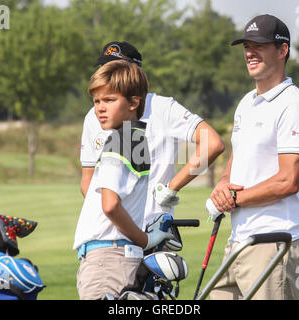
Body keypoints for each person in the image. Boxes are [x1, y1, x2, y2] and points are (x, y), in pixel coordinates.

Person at [207, 14, 299, 300]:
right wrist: (223, 184)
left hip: (277, 243)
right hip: (239, 242)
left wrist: (234, 200)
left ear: (282, 50)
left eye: (259, 45)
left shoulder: (294, 104)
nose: (249, 52)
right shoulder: (247, 103)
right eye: (246, 45)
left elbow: (288, 181)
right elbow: (238, 158)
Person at [80, 41, 225, 238]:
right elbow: (87, 179)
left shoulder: (163, 107)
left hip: (155, 230)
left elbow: (213, 144)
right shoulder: (93, 115)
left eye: (116, 67)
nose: (107, 72)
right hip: (112, 236)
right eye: (104, 66)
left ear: (134, 72)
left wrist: (173, 187)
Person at [73, 60, 174, 300]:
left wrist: (145, 239)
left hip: (107, 261)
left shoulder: (122, 139)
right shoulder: (134, 137)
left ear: (133, 103)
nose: (100, 108)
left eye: (109, 100)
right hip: (115, 258)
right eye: (97, 101)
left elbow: (110, 204)